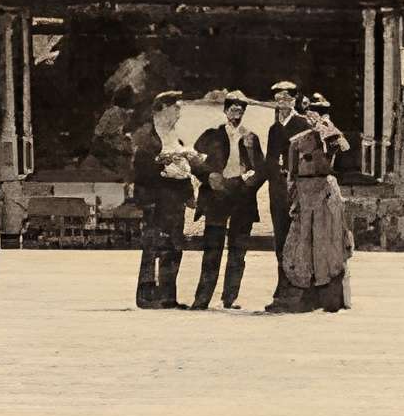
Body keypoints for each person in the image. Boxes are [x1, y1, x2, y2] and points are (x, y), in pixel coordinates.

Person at [270, 91, 353, 314]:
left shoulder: (330, 135)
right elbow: (292, 173)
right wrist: (293, 198)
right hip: (304, 194)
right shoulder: (298, 140)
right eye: (312, 111)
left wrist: (327, 129)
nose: (316, 115)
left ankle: (332, 299)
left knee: (330, 245)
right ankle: (305, 297)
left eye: (321, 111)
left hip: (325, 192)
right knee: (304, 244)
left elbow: (343, 148)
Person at [190, 91, 265, 310]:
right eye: (232, 109)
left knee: (238, 251)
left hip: (242, 197)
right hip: (217, 196)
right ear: (225, 111)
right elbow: (194, 161)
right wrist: (209, 176)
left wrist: (249, 183)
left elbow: (261, 169)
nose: (236, 113)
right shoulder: (211, 135)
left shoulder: (251, 137)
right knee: (212, 248)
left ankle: (230, 298)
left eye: (240, 110)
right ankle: (201, 300)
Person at [130, 91, 194, 310]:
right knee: (153, 248)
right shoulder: (147, 138)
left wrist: (189, 194)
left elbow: (185, 171)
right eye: (175, 108)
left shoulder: (177, 139)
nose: (179, 113)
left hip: (175, 203)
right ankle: (147, 297)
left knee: (174, 247)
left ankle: (168, 296)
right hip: (155, 203)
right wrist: (163, 168)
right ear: (162, 110)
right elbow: (140, 171)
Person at [263, 80, 305, 278]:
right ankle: (282, 283)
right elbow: (270, 159)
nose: (283, 102)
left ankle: (297, 284)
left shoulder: (302, 124)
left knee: (296, 235)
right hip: (277, 189)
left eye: (287, 98)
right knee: (280, 235)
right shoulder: (274, 129)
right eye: (279, 98)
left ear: (294, 100)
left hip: (297, 188)